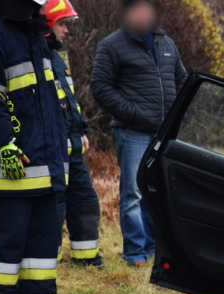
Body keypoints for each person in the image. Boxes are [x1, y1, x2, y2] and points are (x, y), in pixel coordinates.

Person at [91, 0, 187, 267]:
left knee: (155, 192)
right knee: (133, 192)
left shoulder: (166, 43)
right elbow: (100, 86)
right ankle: (135, 253)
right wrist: (132, 113)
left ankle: (154, 247)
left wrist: (177, 115)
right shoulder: (112, 45)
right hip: (132, 132)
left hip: (163, 134)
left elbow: (182, 80)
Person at [0, 0, 68, 294]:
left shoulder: (36, 35)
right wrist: (5, 143)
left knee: (44, 237)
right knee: (7, 238)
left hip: (46, 159)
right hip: (14, 163)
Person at [44, 0, 104, 267]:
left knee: (85, 201)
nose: (66, 31)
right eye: (62, 23)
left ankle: (86, 257)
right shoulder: (35, 56)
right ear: (47, 23)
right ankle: (48, 259)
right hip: (52, 151)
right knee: (53, 208)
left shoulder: (56, 58)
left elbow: (69, 101)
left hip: (72, 148)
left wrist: (81, 132)